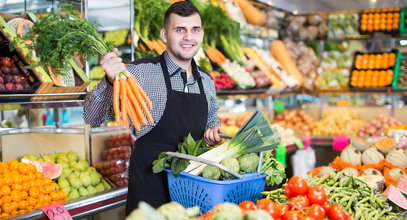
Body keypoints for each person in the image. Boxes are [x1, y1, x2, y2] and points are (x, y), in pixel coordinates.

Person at [83, 1, 223, 214]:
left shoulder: (206, 80)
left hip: (193, 192)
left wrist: (212, 134)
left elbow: (212, 119)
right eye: (180, 30)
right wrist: (109, 81)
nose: (188, 37)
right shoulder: (139, 73)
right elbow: (92, 117)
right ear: (164, 35)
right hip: (150, 192)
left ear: (201, 34)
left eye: (195, 30)